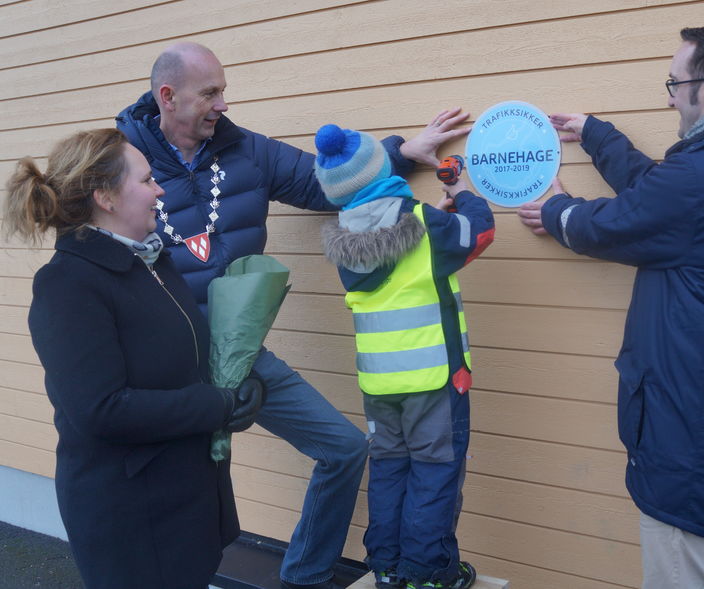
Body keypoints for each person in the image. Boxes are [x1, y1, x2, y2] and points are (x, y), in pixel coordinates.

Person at [115, 42, 470, 589]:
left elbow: (324, 184)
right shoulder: (125, 162)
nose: (223, 104)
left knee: (345, 449)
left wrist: (401, 152)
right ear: (168, 96)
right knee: (187, 488)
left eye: (223, 91)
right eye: (210, 93)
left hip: (239, 353)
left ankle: (303, 576)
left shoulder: (246, 152)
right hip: (167, 364)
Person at [517, 22, 704, 589]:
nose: (666, 95)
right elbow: (660, 193)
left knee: (681, 562)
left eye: (672, 82)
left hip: (688, 423)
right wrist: (598, 135)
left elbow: (618, 223)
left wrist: (560, 210)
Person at [3, 128, 266, 589]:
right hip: (133, 515)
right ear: (105, 196)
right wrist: (218, 405)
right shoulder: (67, 284)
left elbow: (181, 360)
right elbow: (101, 409)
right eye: (146, 180)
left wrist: (241, 386)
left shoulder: (154, 263)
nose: (159, 189)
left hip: (185, 498)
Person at [313, 124, 494, 589]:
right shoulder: (425, 225)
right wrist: (461, 191)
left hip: (379, 384)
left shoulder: (347, 240)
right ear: (383, 168)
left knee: (391, 471)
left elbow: (397, 255)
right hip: (433, 380)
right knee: (434, 474)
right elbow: (478, 234)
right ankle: (430, 574)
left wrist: (432, 215)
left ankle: (388, 569)